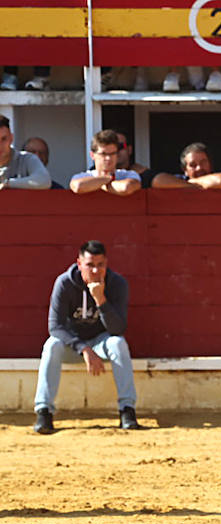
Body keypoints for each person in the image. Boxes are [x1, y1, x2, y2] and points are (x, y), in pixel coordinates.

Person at [33, 240, 145, 434]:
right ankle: (44, 411)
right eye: (90, 265)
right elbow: (55, 326)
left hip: (101, 342)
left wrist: (100, 299)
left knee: (118, 344)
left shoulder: (117, 283)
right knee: (51, 345)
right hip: (72, 345)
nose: (95, 271)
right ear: (79, 264)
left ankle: (127, 410)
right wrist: (84, 349)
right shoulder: (65, 283)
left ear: (106, 264)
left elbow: (117, 329)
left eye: (100, 265)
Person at [70, 130, 141, 195]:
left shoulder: (128, 174)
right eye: (103, 154)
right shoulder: (83, 176)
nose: (108, 158)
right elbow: (78, 186)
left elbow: (126, 187)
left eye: (112, 153)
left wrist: (96, 184)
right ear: (92, 155)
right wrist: (108, 178)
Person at [150, 142, 221, 190]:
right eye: (193, 165)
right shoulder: (180, 179)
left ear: (210, 165)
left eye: (203, 163)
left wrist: (191, 183)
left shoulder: (215, 176)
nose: (199, 168)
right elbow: (157, 181)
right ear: (185, 170)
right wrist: (191, 185)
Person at [0, 116, 52, 189]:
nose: (0, 145)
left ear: (11, 138)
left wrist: (8, 183)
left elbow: (44, 180)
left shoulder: (27, 159)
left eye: (4, 139)